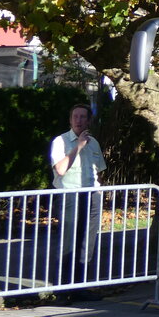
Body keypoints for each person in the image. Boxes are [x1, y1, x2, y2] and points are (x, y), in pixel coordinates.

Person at [49, 103, 106, 292]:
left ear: (89, 120)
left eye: (83, 117)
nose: (79, 120)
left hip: (91, 196)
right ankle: (63, 288)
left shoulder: (95, 143)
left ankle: (81, 286)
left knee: (87, 243)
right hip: (69, 196)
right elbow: (60, 169)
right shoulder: (61, 141)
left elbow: (99, 170)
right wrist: (79, 146)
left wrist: (98, 192)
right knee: (68, 241)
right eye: (75, 117)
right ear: (70, 120)